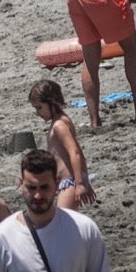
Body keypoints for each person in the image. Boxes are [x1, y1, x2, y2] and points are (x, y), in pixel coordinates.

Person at [28, 81, 96, 210]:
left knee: (62, 220)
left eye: (39, 107)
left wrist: (80, 183)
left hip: (70, 182)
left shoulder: (60, 125)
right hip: (69, 180)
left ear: (52, 103)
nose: (37, 113)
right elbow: (79, 152)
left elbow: (75, 153)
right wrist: (84, 177)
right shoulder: (60, 121)